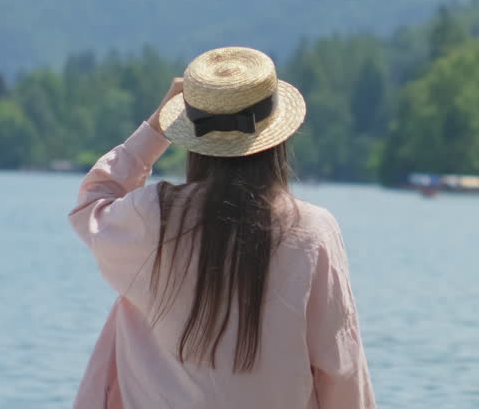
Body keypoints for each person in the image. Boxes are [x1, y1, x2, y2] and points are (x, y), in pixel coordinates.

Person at [68, 46, 374, 408]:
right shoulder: (312, 231)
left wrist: (155, 129)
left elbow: (94, 202)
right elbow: (339, 367)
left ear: (191, 135)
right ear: (276, 137)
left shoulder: (152, 216)